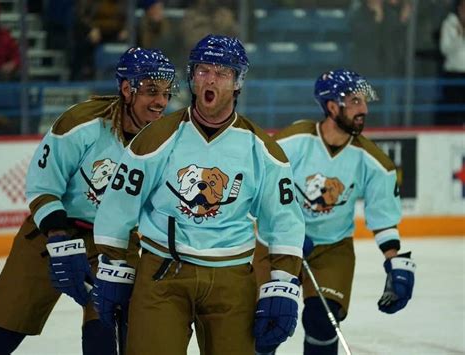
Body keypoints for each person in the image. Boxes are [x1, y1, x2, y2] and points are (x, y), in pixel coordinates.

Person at [91, 34, 305, 355]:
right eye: (203, 71)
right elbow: (119, 203)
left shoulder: (261, 148)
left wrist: (284, 282)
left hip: (232, 279)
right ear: (192, 77)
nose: (210, 79)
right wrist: (112, 263)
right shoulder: (157, 137)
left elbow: (284, 220)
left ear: (237, 83)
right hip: (163, 273)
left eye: (222, 73)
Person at [0, 47, 177, 354]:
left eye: (166, 92)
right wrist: (58, 238)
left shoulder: (164, 140)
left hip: (115, 243)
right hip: (50, 236)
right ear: (127, 88)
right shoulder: (81, 124)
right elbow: (43, 186)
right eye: (151, 91)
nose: (161, 101)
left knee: (106, 337)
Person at [254, 69, 417, 354]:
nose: (363, 109)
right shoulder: (290, 142)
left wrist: (395, 264)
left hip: (332, 248)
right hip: (275, 243)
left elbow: (382, 218)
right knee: (265, 322)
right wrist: (286, 233)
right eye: (355, 102)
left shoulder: (373, 161)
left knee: (322, 322)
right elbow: (257, 190)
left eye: (364, 102)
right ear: (332, 107)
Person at [438, 0, 465, 125]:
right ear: (459, 8)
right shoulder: (449, 24)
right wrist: (459, 37)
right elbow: (444, 49)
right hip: (453, 74)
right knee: (454, 111)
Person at [0, 2, 20, 81]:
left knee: (19, 75)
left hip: (0, 73)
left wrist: (13, 64)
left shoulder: (5, 35)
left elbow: (17, 57)